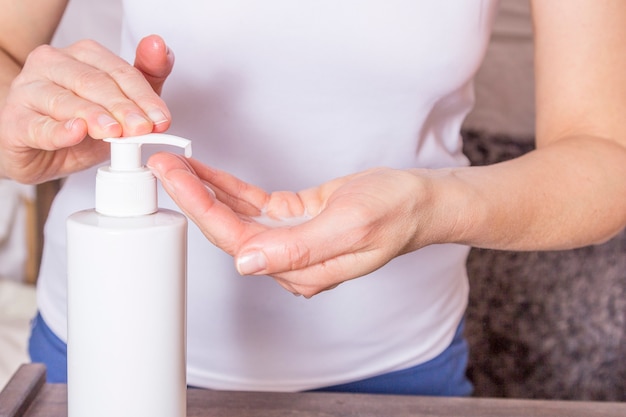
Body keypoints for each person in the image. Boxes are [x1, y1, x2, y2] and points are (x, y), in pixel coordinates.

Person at [2, 0, 626, 396]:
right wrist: (17, 127)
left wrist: (433, 206)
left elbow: (604, 156)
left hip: (398, 366)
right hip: (97, 357)